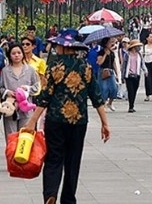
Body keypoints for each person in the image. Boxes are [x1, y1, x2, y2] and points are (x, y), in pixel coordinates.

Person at [23, 29, 111, 204]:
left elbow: (45, 97)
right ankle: (68, 199)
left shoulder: (54, 66)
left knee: (54, 159)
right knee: (73, 161)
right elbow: (97, 97)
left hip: (55, 119)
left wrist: (32, 121)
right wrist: (105, 123)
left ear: (63, 46)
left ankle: (50, 193)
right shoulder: (86, 67)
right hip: (78, 121)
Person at [0, 43, 39, 137]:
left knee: (25, 137)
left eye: (19, 53)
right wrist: (7, 92)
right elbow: (0, 88)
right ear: (9, 55)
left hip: (26, 109)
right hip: (11, 109)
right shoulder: (5, 71)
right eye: (13, 53)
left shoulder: (30, 70)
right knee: (11, 137)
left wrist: (27, 89)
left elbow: (37, 86)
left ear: (23, 54)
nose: (16, 55)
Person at [123, 39, 146, 113]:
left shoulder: (139, 54)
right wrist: (122, 76)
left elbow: (142, 64)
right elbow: (124, 66)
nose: (138, 48)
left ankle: (132, 104)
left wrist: (145, 70)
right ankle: (131, 106)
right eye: (137, 46)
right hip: (129, 75)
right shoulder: (127, 54)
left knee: (135, 90)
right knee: (130, 91)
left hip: (137, 75)